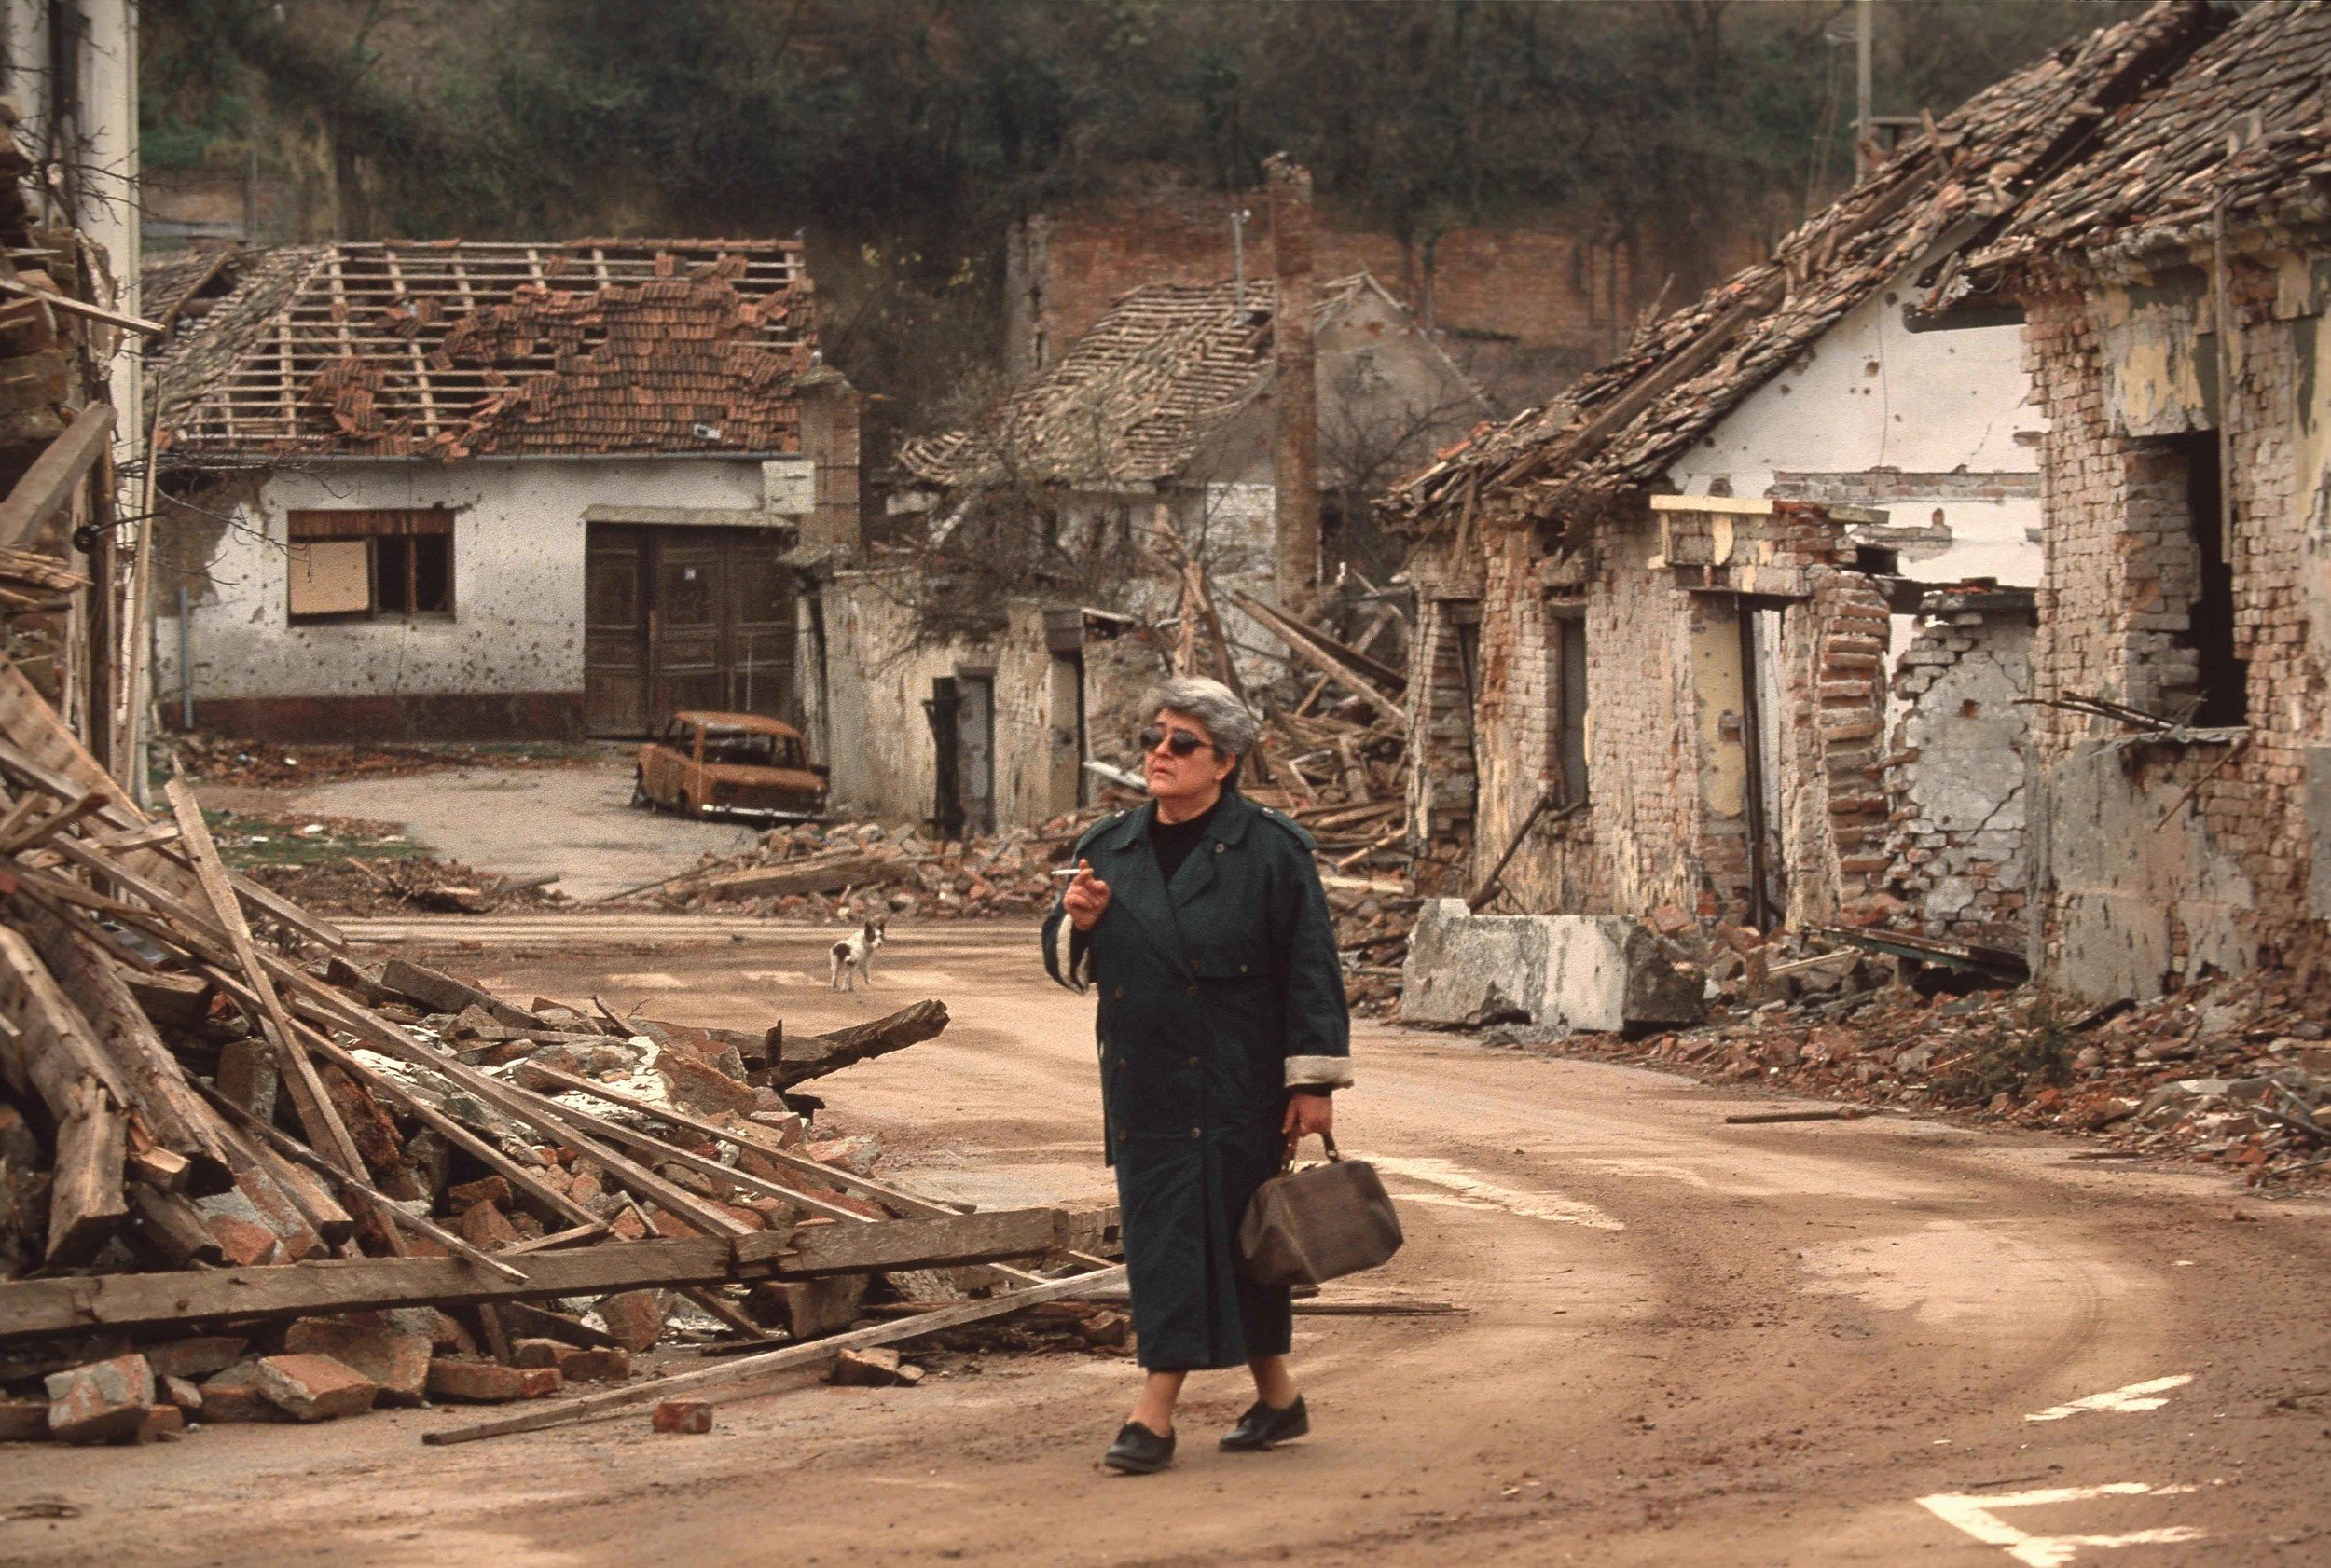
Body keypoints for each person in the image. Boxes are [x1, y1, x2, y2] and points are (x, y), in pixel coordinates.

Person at [1041, 675, 1353, 1475]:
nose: (1160, 755)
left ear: (1225, 762)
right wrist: (1076, 924)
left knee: (1245, 1244)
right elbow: (1068, 961)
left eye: (1183, 743)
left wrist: (1310, 1085)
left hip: (1239, 1082)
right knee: (1166, 1240)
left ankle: (1153, 1416)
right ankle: (1279, 1402)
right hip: (1146, 1085)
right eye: (1153, 739)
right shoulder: (1111, 847)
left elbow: (1311, 972)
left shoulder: (1271, 851)